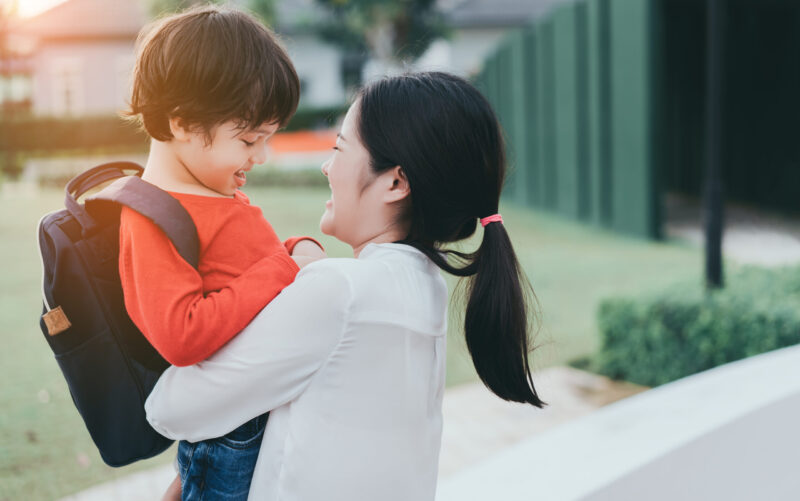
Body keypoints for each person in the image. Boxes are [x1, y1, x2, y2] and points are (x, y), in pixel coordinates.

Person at [145, 72, 544, 501]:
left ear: (396, 182)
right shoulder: (425, 287)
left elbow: (173, 408)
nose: (326, 165)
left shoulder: (339, 291)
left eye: (339, 148)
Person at [120, 6, 324, 500]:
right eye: (250, 139)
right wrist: (283, 267)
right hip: (234, 436)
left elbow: (246, 265)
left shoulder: (211, 190)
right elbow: (183, 336)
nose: (260, 156)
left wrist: (295, 249)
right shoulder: (153, 216)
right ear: (184, 123)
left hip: (254, 408)